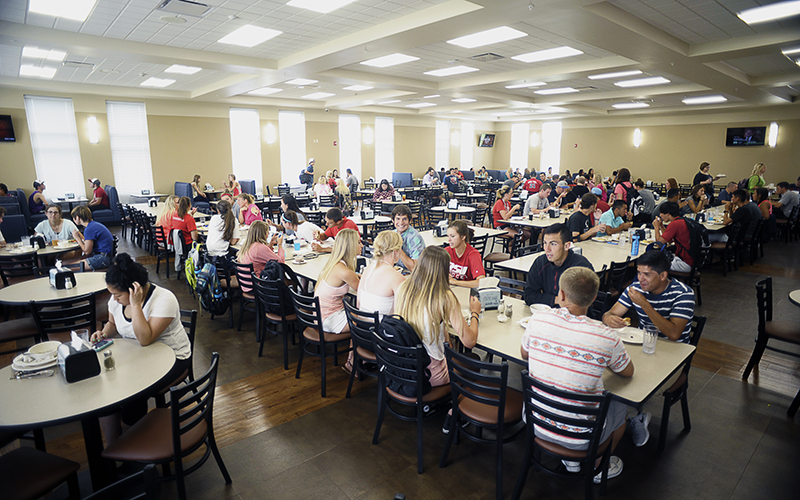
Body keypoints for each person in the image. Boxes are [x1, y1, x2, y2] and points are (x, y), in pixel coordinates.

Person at [521, 267, 633, 481]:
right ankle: (597, 466)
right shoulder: (607, 336)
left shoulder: (538, 320)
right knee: (620, 403)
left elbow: (524, 353)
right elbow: (627, 372)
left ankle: (569, 458)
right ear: (593, 299)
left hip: (534, 422)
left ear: (561, 294)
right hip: (581, 437)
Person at [91, 253, 191, 445]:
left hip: (172, 358)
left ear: (133, 290)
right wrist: (103, 333)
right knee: (105, 387)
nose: (113, 299)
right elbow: (112, 323)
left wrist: (135, 304)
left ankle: (131, 447)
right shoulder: (117, 300)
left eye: (118, 295)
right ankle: (115, 447)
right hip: (139, 357)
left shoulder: (164, 299)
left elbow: (145, 338)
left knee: (132, 395)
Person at [394, 246, 480, 386]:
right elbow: (469, 342)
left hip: (406, 366)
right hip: (431, 374)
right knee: (474, 359)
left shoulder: (404, 288)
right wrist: (475, 312)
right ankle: (456, 404)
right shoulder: (444, 297)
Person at [603, 249, 695, 344]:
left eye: (647, 274)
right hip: (643, 342)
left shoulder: (683, 294)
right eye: (639, 273)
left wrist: (644, 304)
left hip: (673, 348)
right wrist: (608, 319)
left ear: (663, 276)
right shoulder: (635, 289)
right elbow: (610, 313)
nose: (641, 279)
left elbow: (674, 334)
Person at [524, 223, 593, 306]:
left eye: (553, 244)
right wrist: (557, 300)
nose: (547, 249)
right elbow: (529, 296)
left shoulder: (580, 268)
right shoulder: (540, 262)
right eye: (545, 243)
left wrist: (546, 299)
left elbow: (580, 303)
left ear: (566, 246)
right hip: (549, 314)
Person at [315, 229, 361, 334]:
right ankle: (353, 350)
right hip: (330, 320)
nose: (361, 245)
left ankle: (352, 349)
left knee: (358, 313)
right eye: (358, 242)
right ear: (351, 246)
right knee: (366, 319)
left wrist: (357, 275)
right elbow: (364, 291)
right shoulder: (345, 272)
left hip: (320, 316)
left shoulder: (336, 264)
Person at [358, 230, 405, 317]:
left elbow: (358, 303)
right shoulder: (397, 278)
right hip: (381, 328)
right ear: (396, 251)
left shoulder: (369, 268)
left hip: (360, 325)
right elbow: (400, 313)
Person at [237, 220, 285, 288]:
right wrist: (280, 245)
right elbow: (280, 262)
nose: (268, 234)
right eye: (267, 232)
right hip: (256, 286)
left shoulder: (247, 245)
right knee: (288, 281)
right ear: (263, 233)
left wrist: (270, 244)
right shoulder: (259, 247)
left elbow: (260, 255)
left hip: (245, 284)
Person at [652, 202, 694, 273]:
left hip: (684, 263)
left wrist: (656, 228)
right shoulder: (682, 220)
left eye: (661, 213)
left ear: (668, 214)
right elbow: (670, 240)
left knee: (653, 263)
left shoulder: (674, 224)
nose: (660, 215)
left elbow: (659, 244)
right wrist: (661, 226)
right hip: (691, 260)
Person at [70, 205, 114, 270]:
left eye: (74, 218)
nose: (73, 220)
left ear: (78, 217)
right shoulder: (93, 224)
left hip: (102, 259)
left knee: (67, 266)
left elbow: (87, 252)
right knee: (64, 263)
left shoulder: (89, 229)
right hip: (105, 256)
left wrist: (77, 238)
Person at [445, 219, 485, 288]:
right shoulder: (447, 251)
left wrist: (456, 282)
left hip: (467, 292)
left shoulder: (473, 254)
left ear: (463, 237)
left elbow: (481, 282)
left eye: (452, 236)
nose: (449, 239)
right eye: (448, 236)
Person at [205, 200, 240, 271]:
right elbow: (233, 242)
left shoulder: (213, 218)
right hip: (223, 258)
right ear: (231, 209)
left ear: (218, 210)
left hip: (210, 256)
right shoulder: (233, 220)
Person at [392, 205, 424, 271]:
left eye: (404, 219)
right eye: (398, 219)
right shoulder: (392, 234)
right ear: (393, 220)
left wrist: (398, 248)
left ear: (410, 221)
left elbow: (415, 268)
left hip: (413, 276)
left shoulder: (415, 238)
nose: (401, 223)